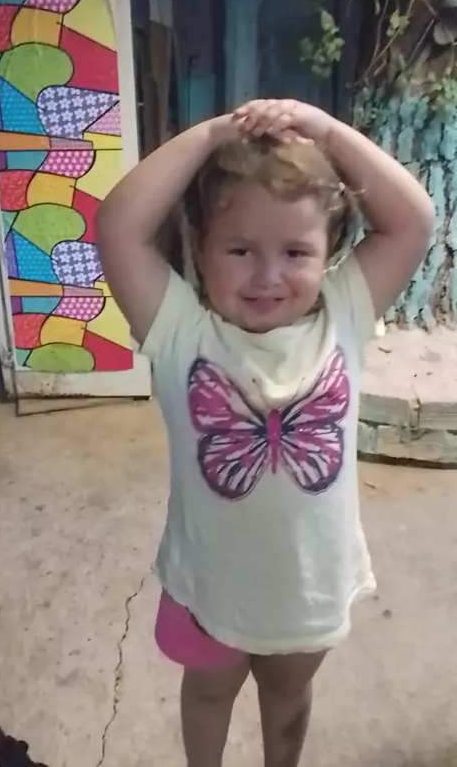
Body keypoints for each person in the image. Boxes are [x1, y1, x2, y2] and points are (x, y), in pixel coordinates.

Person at [97, 99, 434, 767]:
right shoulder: (180, 331)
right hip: (209, 586)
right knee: (208, 696)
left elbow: (413, 220)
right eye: (240, 249)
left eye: (296, 251)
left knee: (287, 700)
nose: (268, 275)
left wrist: (328, 132)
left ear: (330, 253)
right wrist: (213, 134)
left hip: (307, 591)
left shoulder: (343, 313)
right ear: (201, 250)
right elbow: (118, 227)